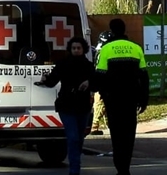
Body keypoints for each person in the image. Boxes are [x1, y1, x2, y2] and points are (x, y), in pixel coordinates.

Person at [91, 18, 148, 175]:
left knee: (117, 134)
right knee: (129, 134)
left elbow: (100, 74)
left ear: (111, 30)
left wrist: (98, 91)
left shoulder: (106, 49)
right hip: (131, 99)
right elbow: (144, 76)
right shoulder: (136, 48)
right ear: (125, 30)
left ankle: (120, 167)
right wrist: (144, 99)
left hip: (113, 99)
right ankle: (126, 167)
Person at [38, 36, 94, 175]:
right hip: (66, 106)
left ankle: (76, 163)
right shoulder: (63, 63)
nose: (76, 50)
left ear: (83, 49)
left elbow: (96, 82)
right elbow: (52, 81)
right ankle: (74, 170)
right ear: (70, 49)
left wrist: (88, 83)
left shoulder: (88, 65)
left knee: (79, 138)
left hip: (83, 106)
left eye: (78, 48)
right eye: (74, 48)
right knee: (73, 136)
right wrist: (45, 79)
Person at [89, 31, 112, 135]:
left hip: (98, 80)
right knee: (99, 104)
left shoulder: (96, 50)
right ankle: (94, 127)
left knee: (104, 104)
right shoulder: (104, 51)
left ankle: (109, 125)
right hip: (103, 81)